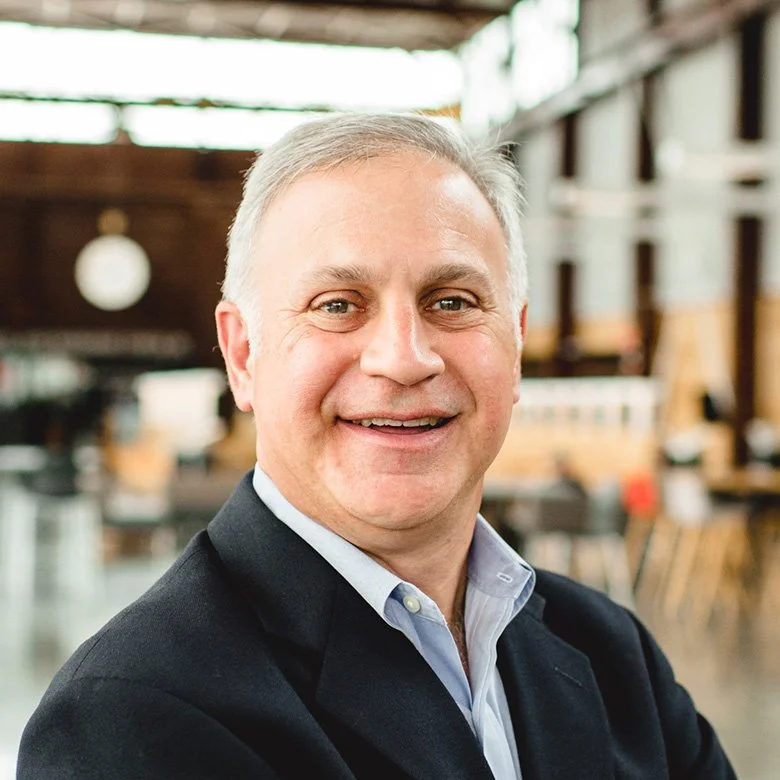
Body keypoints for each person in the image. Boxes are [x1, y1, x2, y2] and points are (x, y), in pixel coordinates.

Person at [18, 114, 735, 779]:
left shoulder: (615, 658)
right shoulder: (127, 718)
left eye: (451, 301)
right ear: (243, 355)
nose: (404, 358)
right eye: (337, 305)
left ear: (514, 347)